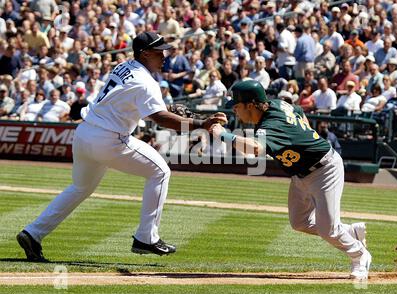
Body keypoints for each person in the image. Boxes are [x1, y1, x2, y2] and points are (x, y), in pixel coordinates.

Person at [17, 32, 227, 262]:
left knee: (79, 188)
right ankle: (146, 237)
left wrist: (170, 112)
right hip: (109, 139)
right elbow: (160, 118)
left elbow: (136, 101)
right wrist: (201, 124)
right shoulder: (147, 82)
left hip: (85, 133)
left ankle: (33, 233)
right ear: (145, 53)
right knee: (160, 171)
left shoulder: (124, 66)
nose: (164, 56)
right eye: (159, 52)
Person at [210, 80, 371, 280]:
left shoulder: (271, 125)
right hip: (300, 173)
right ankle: (349, 230)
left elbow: (256, 149)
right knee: (299, 222)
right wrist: (303, 136)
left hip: (324, 169)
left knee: (327, 230)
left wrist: (224, 135)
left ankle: (360, 254)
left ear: (250, 105)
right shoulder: (276, 104)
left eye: (236, 106)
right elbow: (297, 110)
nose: (235, 111)